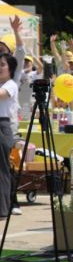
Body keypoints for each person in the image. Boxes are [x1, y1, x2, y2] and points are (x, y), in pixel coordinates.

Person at [0, 53, 19, 218]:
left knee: (2, 169)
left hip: (3, 125)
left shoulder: (11, 84)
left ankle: (3, 208)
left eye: (2, 64)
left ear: (10, 68)